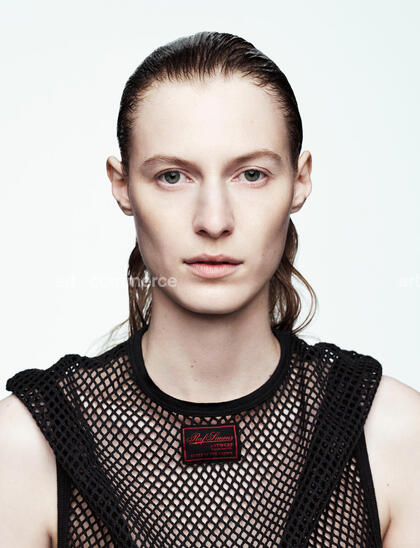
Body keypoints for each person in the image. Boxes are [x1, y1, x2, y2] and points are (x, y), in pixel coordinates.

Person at [0, 30, 419, 548]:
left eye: (251, 174)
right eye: (173, 177)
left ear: (300, 180)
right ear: (122, 185)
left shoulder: (397, 437)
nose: (214, 221)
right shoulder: (25, 448)